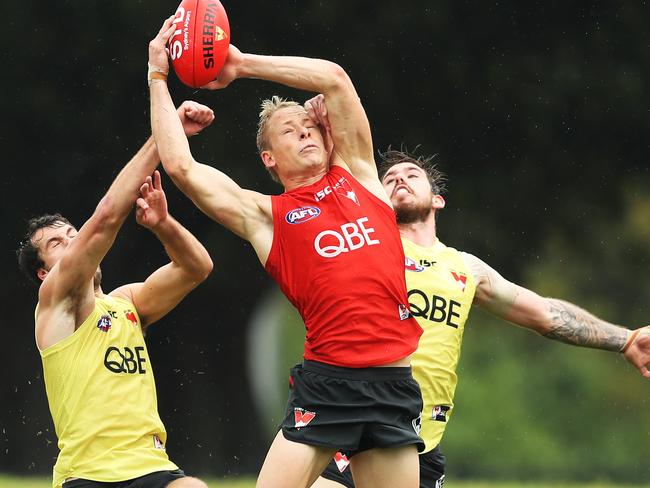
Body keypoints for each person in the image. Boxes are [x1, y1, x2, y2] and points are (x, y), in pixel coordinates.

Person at [148, 16, 424, 488]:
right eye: (289, 130)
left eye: (308, 124)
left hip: (393, 385)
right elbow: (180, 167)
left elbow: (334, 78)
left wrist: (238, 63)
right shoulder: (267, 216)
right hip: (330, 384)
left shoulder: (360, 175)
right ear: (268, 158)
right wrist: (158, 78)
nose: (305, 132)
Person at [306, 144, 650, 488]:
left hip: (423, 440)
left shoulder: (466, 268)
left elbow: (546, 314)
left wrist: (627, 340)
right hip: (363, 419)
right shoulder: (365, 248)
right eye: (390, 180)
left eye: (412, 175)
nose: (400, 181)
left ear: (437, 200)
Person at [16, 94, 216, 488]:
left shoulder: (126, 303)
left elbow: (196, 268)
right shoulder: (56, 305)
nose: (73, 243)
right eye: (58, 244)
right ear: (43, 274)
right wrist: (165, 133)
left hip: (151, 466)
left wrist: (163, 225)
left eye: (74, 234)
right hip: (88, 476)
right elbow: (107, 215)